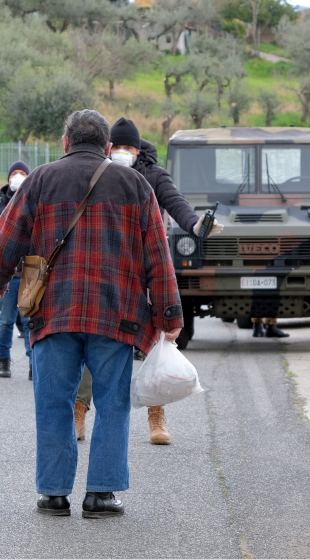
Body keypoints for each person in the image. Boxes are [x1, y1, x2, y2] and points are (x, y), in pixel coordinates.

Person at [0, 109, 184, 518]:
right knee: (113, 403)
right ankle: (102, 494)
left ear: (65, 142)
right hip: (117, 314)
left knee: (53, 401)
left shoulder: (39, 180)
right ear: (108, 147)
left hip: (53, 314)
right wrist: (169, 318)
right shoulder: (135, 184)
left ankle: (53, 493)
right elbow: (159, 259)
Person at [74, 117, 224, 446]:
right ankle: (80, 409)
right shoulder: (99, 171)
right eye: (120, 147)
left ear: (139, 149)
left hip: (143, 274)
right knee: (91, 341)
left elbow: (175, 202)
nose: (125, 152)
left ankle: (156, 415)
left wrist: (196, 225)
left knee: (154, 346)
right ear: (109, 147)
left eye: (131, 147)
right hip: (105, 272)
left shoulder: (153, 176)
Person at [0, 161, 32, 379]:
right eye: (15, 173)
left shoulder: (35, 206)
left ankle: (33, 362)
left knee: (31, 322)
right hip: (8, 277)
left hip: (30, 276)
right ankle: (3, 359)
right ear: (8, 177)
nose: (18, 177)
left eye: (22, 173)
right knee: (6, 320)